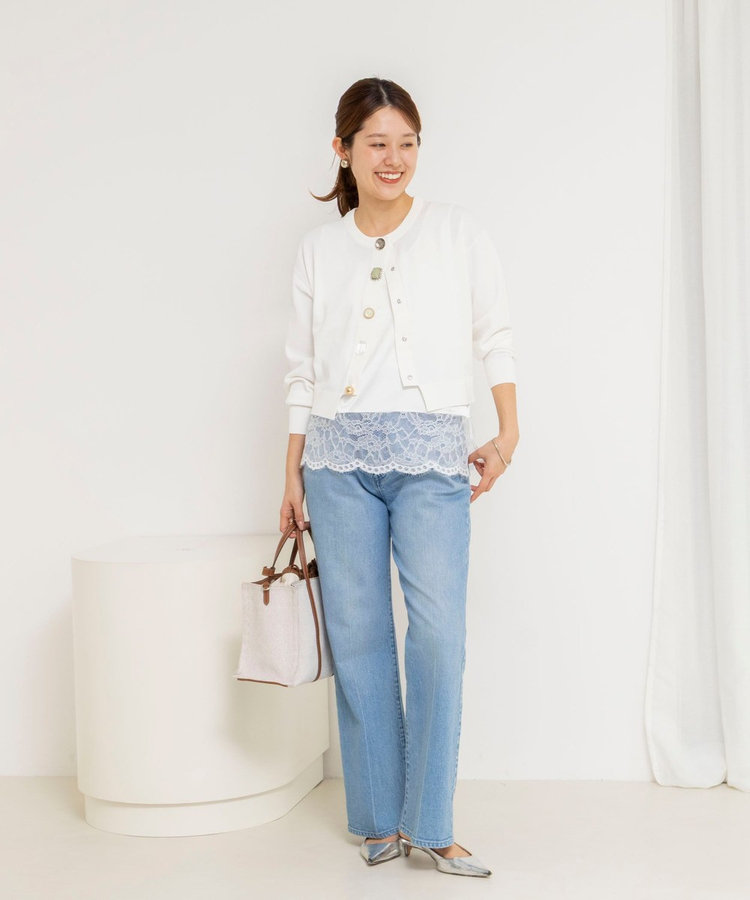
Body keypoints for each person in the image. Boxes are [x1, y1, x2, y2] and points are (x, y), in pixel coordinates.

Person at [279, 76, 519, 878]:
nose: (394, 158)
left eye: (407, 143)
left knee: (439, 637)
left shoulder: (455, 231)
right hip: (336, 462)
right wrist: (291, 473)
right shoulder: (319, 249)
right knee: (359, 640)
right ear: (342, 150)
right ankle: (381, 819)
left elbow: (495, 333)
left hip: (432, 458)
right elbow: (301, 370)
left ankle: (432, 824)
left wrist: (508, 430)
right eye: (377, 143)